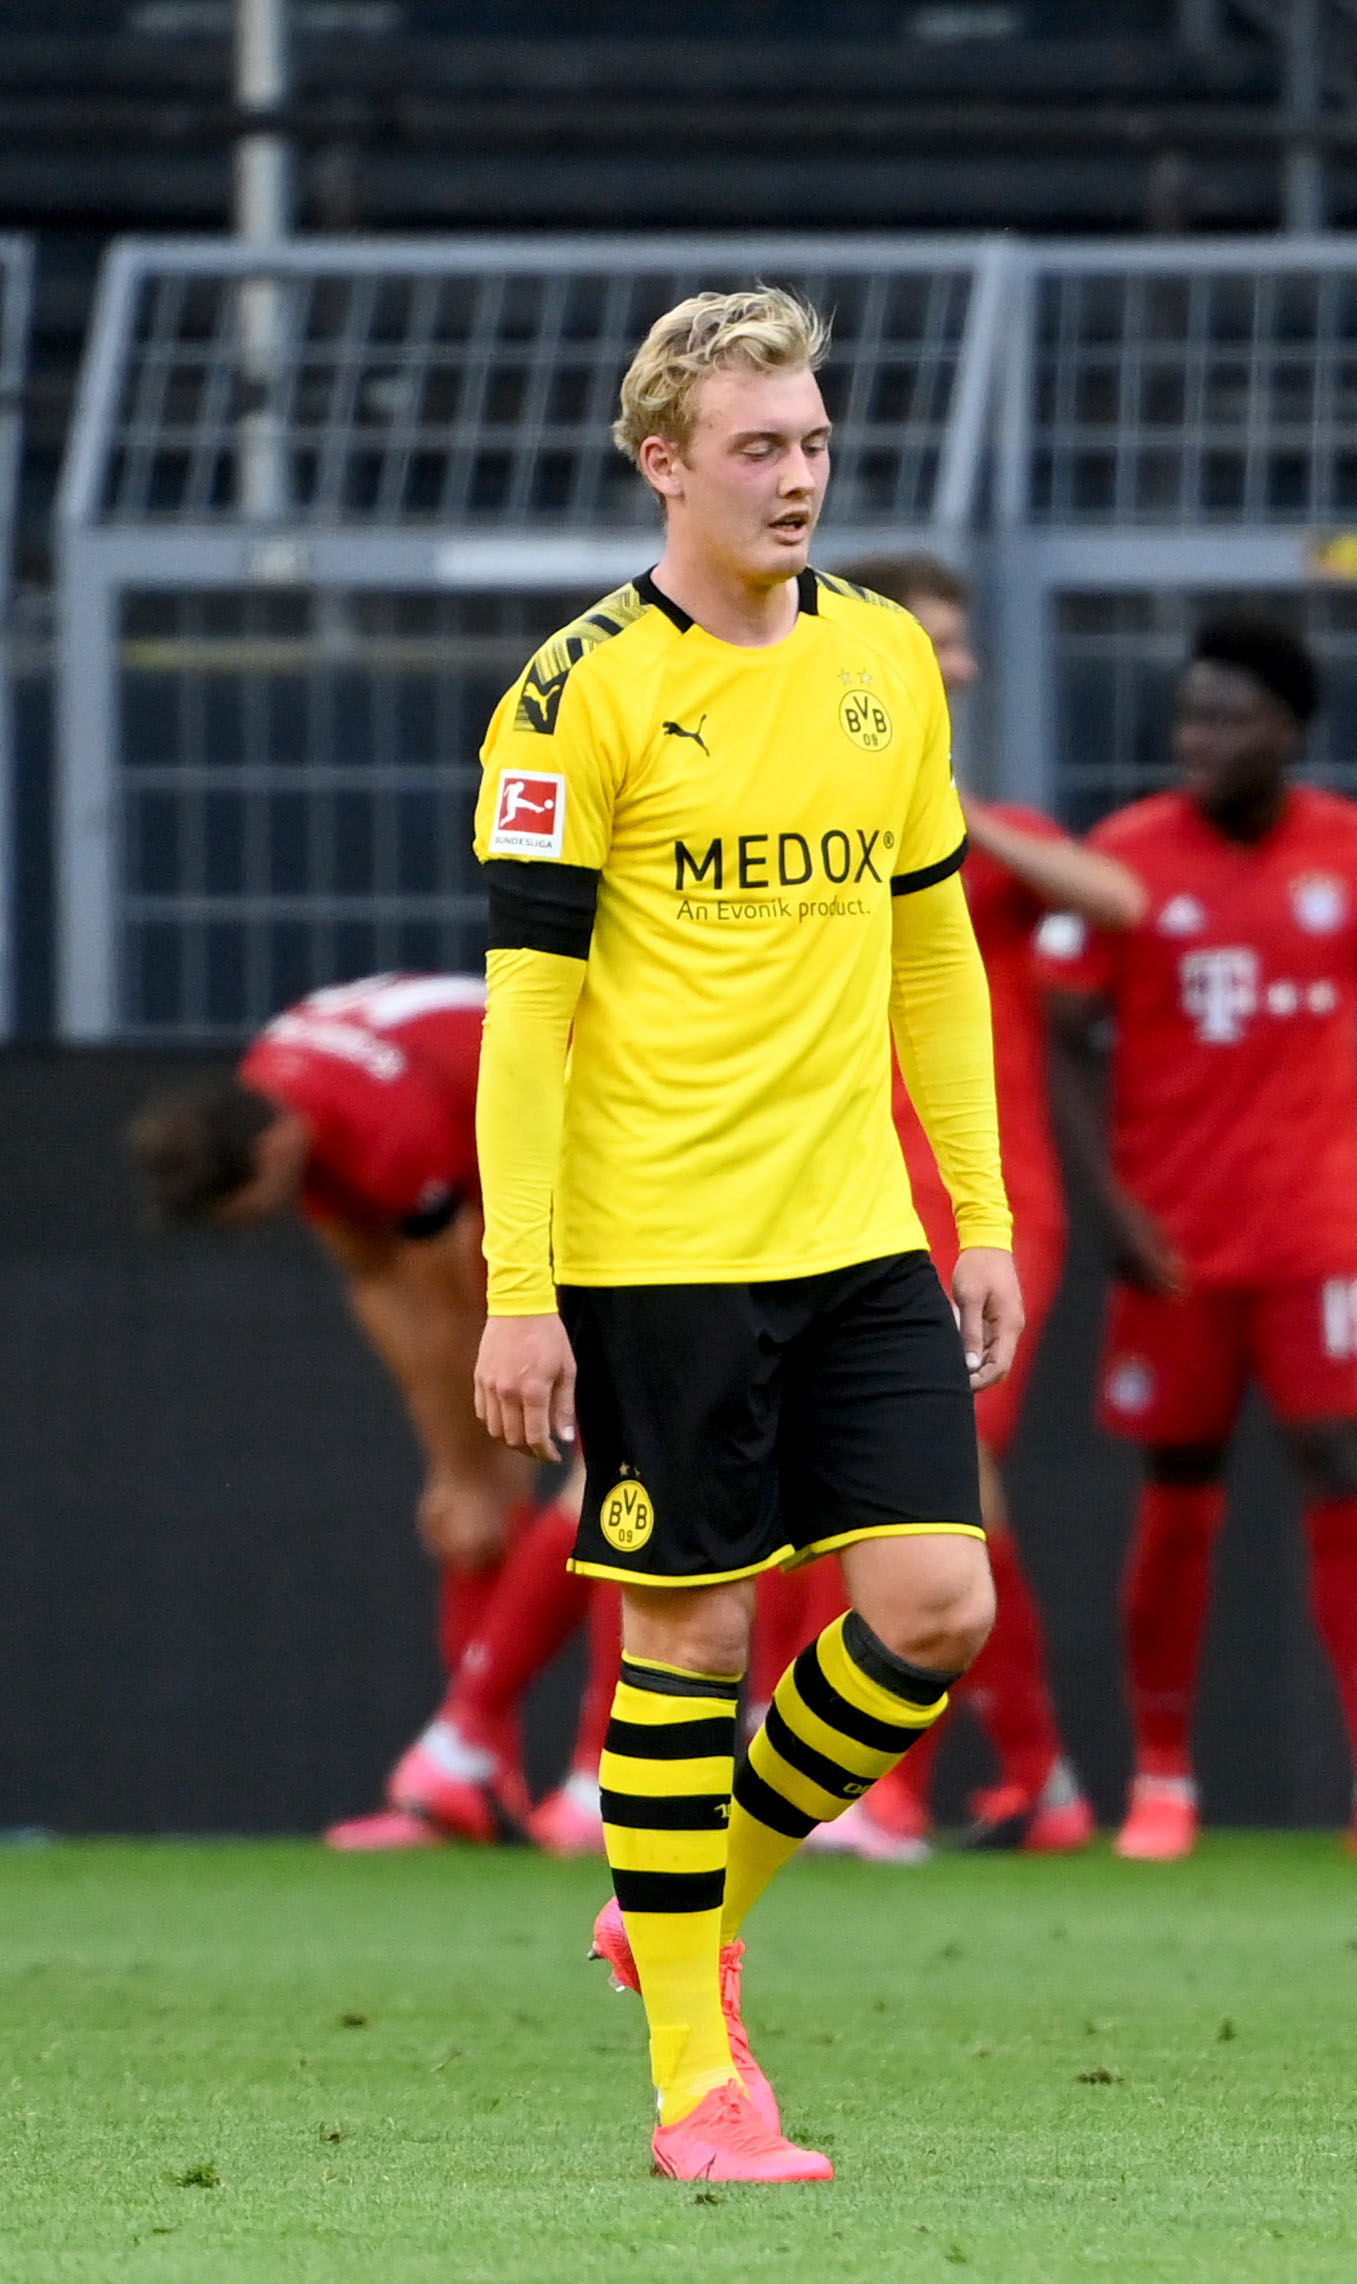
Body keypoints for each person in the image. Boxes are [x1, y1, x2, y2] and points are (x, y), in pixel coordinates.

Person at [466, 286, 1018, 2183]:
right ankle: (702, 2078)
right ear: (664, 464)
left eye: (814, 440)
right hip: (656, 1243)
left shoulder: (882, 656)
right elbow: (526, 1020)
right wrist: (519, 1287)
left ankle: (680, 1906)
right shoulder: (575, 696)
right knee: (691, 1630)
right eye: (759, 448)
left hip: (856, 1229)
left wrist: (985, 1211)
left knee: (938, 1606)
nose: (800, 477)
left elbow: (934, 946)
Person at [1044, 614, 1357, 1862]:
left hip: (1320, 1232)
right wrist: (1116, 1211)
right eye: (1189, 716)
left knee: (1342, 1472)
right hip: (1179, 1241)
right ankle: (1160, 1780)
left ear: (1291, 731)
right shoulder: (1125, 859)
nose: (1201, 739)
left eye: (1230, 717)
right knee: (1179, 1492)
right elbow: (1064, 1041)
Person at [749, 552, 1142, 1865]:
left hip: (978, 1203)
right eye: (934, 639)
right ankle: (1042, 1781)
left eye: (960, 644)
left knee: (926, 1493)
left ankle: (888, 1794)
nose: (958, 662)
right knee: (868, 1496)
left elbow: (1124, 902)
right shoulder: (796, 819)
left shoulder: (979, 832)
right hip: (831, 1193)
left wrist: (944, 805)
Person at [127, 972, 616, 1856]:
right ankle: (488, 1776)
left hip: (604, 1144)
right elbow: (379, 1285)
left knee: (624, 1479)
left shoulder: (382, 1136)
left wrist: (476, 1463)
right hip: (512, 1155)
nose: (246, 1231)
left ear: (273, 1153)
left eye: (241, 1210)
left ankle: (550, 1773)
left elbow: (457, 1308)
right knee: (507, 1498)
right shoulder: (290, 1107)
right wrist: (456, 1467)